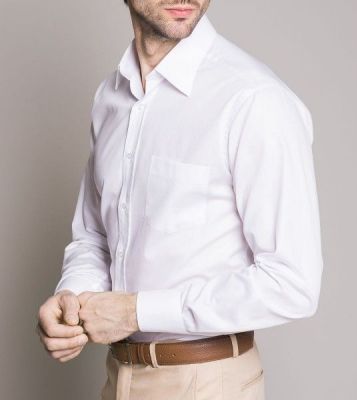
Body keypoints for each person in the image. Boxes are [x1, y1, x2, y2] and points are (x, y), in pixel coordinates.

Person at [36, 1, 324, 399]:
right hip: (118, 376)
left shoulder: (254, 99)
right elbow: (95, 237)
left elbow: (292, 283)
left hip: (207, 383)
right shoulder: (110, 98)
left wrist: (136, 312)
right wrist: (71, 299)